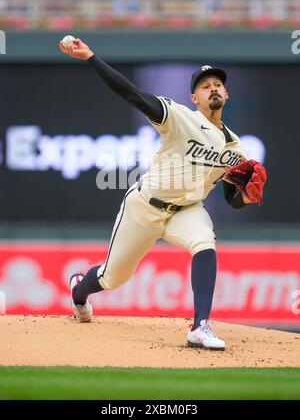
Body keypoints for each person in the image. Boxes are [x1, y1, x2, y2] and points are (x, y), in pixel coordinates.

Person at [59, 38, 267, 350]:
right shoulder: (180, 117)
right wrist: (91, 57)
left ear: (226, 94)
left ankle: (200, 327)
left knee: (204, 244)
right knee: (111, 278)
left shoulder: (236, 150)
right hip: (145, 206)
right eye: (206, 85)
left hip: (186, 210)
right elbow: (132, 94)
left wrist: (246, 198)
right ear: (193, 97)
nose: (213, 88)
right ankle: (79, 291)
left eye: (218, 85)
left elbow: (231, 200)